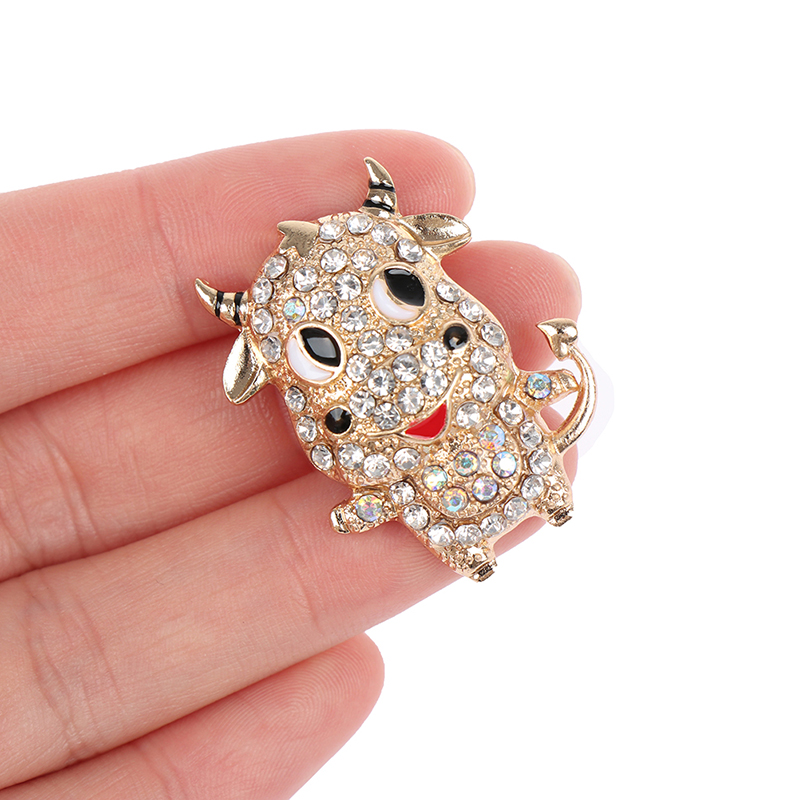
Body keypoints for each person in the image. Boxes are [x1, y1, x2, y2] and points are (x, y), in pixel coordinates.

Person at [0, 130, 581, 798]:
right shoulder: (348, 423)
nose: (392, 364)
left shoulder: (459, 345)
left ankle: (541, 497)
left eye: (401, 288)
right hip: (407, 471)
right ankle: (479, 536)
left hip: (485, 420)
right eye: (318, 351)